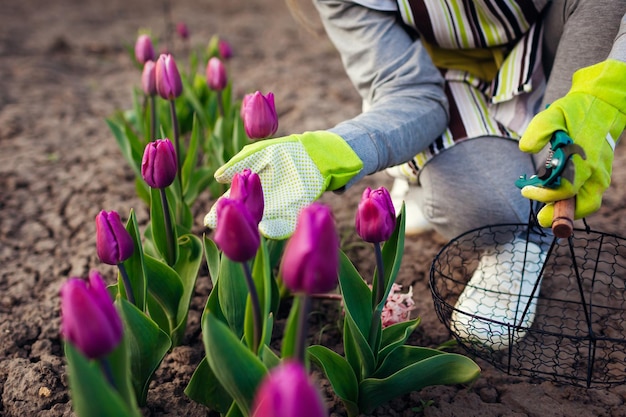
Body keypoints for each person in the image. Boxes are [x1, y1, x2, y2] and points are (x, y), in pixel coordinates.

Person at [206, 0, 626, 349]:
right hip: (442, 86)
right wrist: (331, 151)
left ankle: (530, 240)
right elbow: (408, 92)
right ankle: (423, 174)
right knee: (487, 209)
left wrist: (606, 94)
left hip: (560, 57)